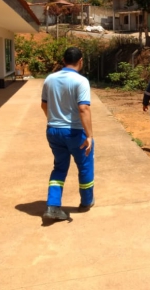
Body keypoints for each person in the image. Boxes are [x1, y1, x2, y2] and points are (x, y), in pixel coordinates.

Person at [41, 47, 95, 221]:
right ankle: (86, 202)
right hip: (74, 131)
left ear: (64, 61)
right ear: (81, 61)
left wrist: (55, 120)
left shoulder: (49, 79)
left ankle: (53, 206)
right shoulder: (81, 81)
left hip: (53, 130)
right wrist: (90, 136)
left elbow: (44, 105)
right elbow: (83, 108)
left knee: (59, 167)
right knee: (85, 165)